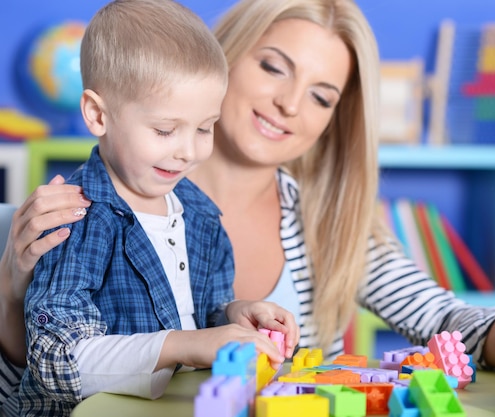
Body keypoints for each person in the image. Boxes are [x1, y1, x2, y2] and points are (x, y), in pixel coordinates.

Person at [0, 0, 495, 411]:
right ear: (222, 59)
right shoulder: (72, 213)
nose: (290, 105)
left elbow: (449, 323)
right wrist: (8, 304)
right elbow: (42, 385)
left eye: (321, 96)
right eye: (273, 67)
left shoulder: (324, 225)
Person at [15, 1, 298, 416]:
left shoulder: (200, 216)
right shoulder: (74, 217)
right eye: (165, 130)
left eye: (204, 127)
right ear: (98, 114)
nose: (188, 151)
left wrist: (236, 317)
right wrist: (185, 345)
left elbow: (202, 315)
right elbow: (56, 360)